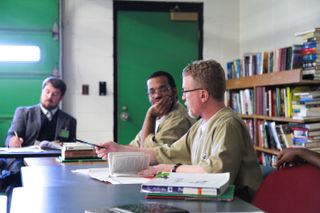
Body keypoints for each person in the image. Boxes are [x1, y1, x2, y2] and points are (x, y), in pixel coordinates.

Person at [96, 59, 262, 202]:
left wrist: (170, 169)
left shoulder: (227, 124)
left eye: (186, 91)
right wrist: (119, 149)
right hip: (209, 198)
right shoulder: (199, 126)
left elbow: (215, 172)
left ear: (203, 95)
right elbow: (165, 153)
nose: (183, 97)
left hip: (237, 203)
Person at [1, 77, 76, 192]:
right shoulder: (24, 112)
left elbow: (71, 147)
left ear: (61, 97)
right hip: (23, 159)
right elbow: (11, 136)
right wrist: (13, 141)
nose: (50, 96)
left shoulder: (69, 121)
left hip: (53, 162)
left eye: (55, 94)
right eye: (47, 92)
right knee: (18, 178)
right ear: (42, 91)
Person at [129, 71, 195, 148]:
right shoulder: (158, 116)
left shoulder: (179, 119)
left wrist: (150, 115)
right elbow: (134, 146)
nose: (157, 95)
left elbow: (147, 152)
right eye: (152, 92)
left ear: (174, 92)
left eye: (163, 90)